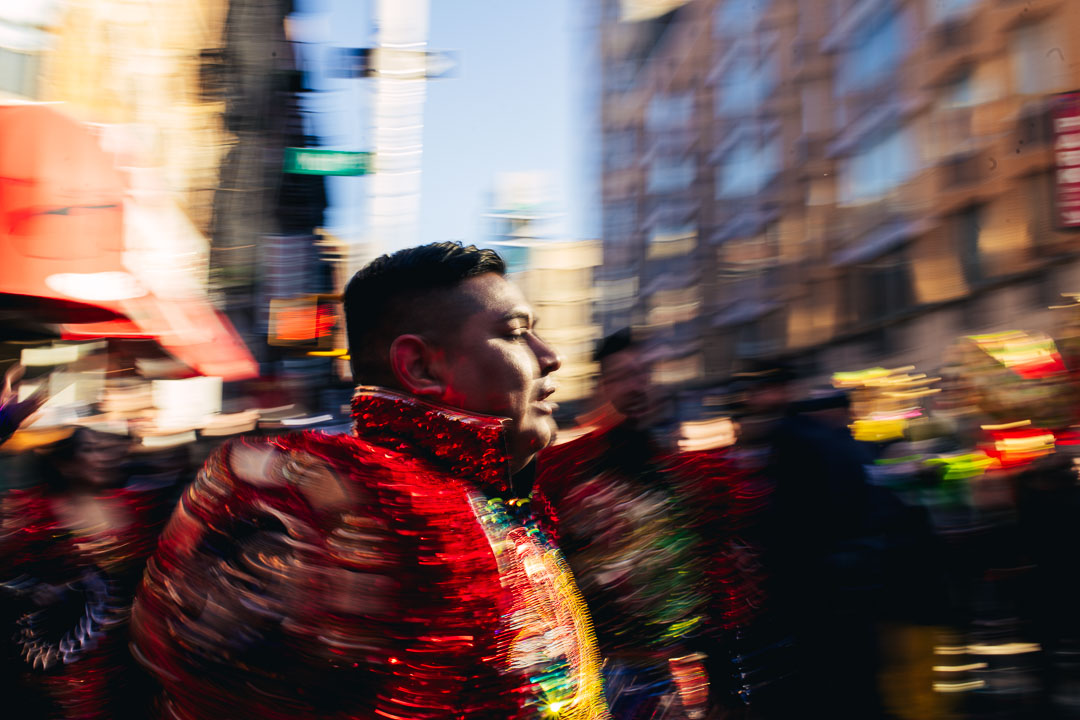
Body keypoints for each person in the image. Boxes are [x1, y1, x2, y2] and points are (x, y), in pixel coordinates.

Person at [130, 242, 609, 720]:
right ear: (420, 367)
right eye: (516, 334)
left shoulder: (494, 496)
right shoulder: (366, 497)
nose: (551, 357)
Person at [533, 329, 749, 719]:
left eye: (645, 373)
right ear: (602, 387)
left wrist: (725, 681)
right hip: (592, 676)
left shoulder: (689, 477)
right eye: (623, 375)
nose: (637, 386)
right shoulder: (558, 472)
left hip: (680, 678)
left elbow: (715, 580)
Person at [1, 425, 179, 719]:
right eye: (94, 449)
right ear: (66, 462)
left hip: (131, 662)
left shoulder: (139, 506)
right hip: (62, 668)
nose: (107, 457)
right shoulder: (35, 512)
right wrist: (34, 592)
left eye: (112, 448)